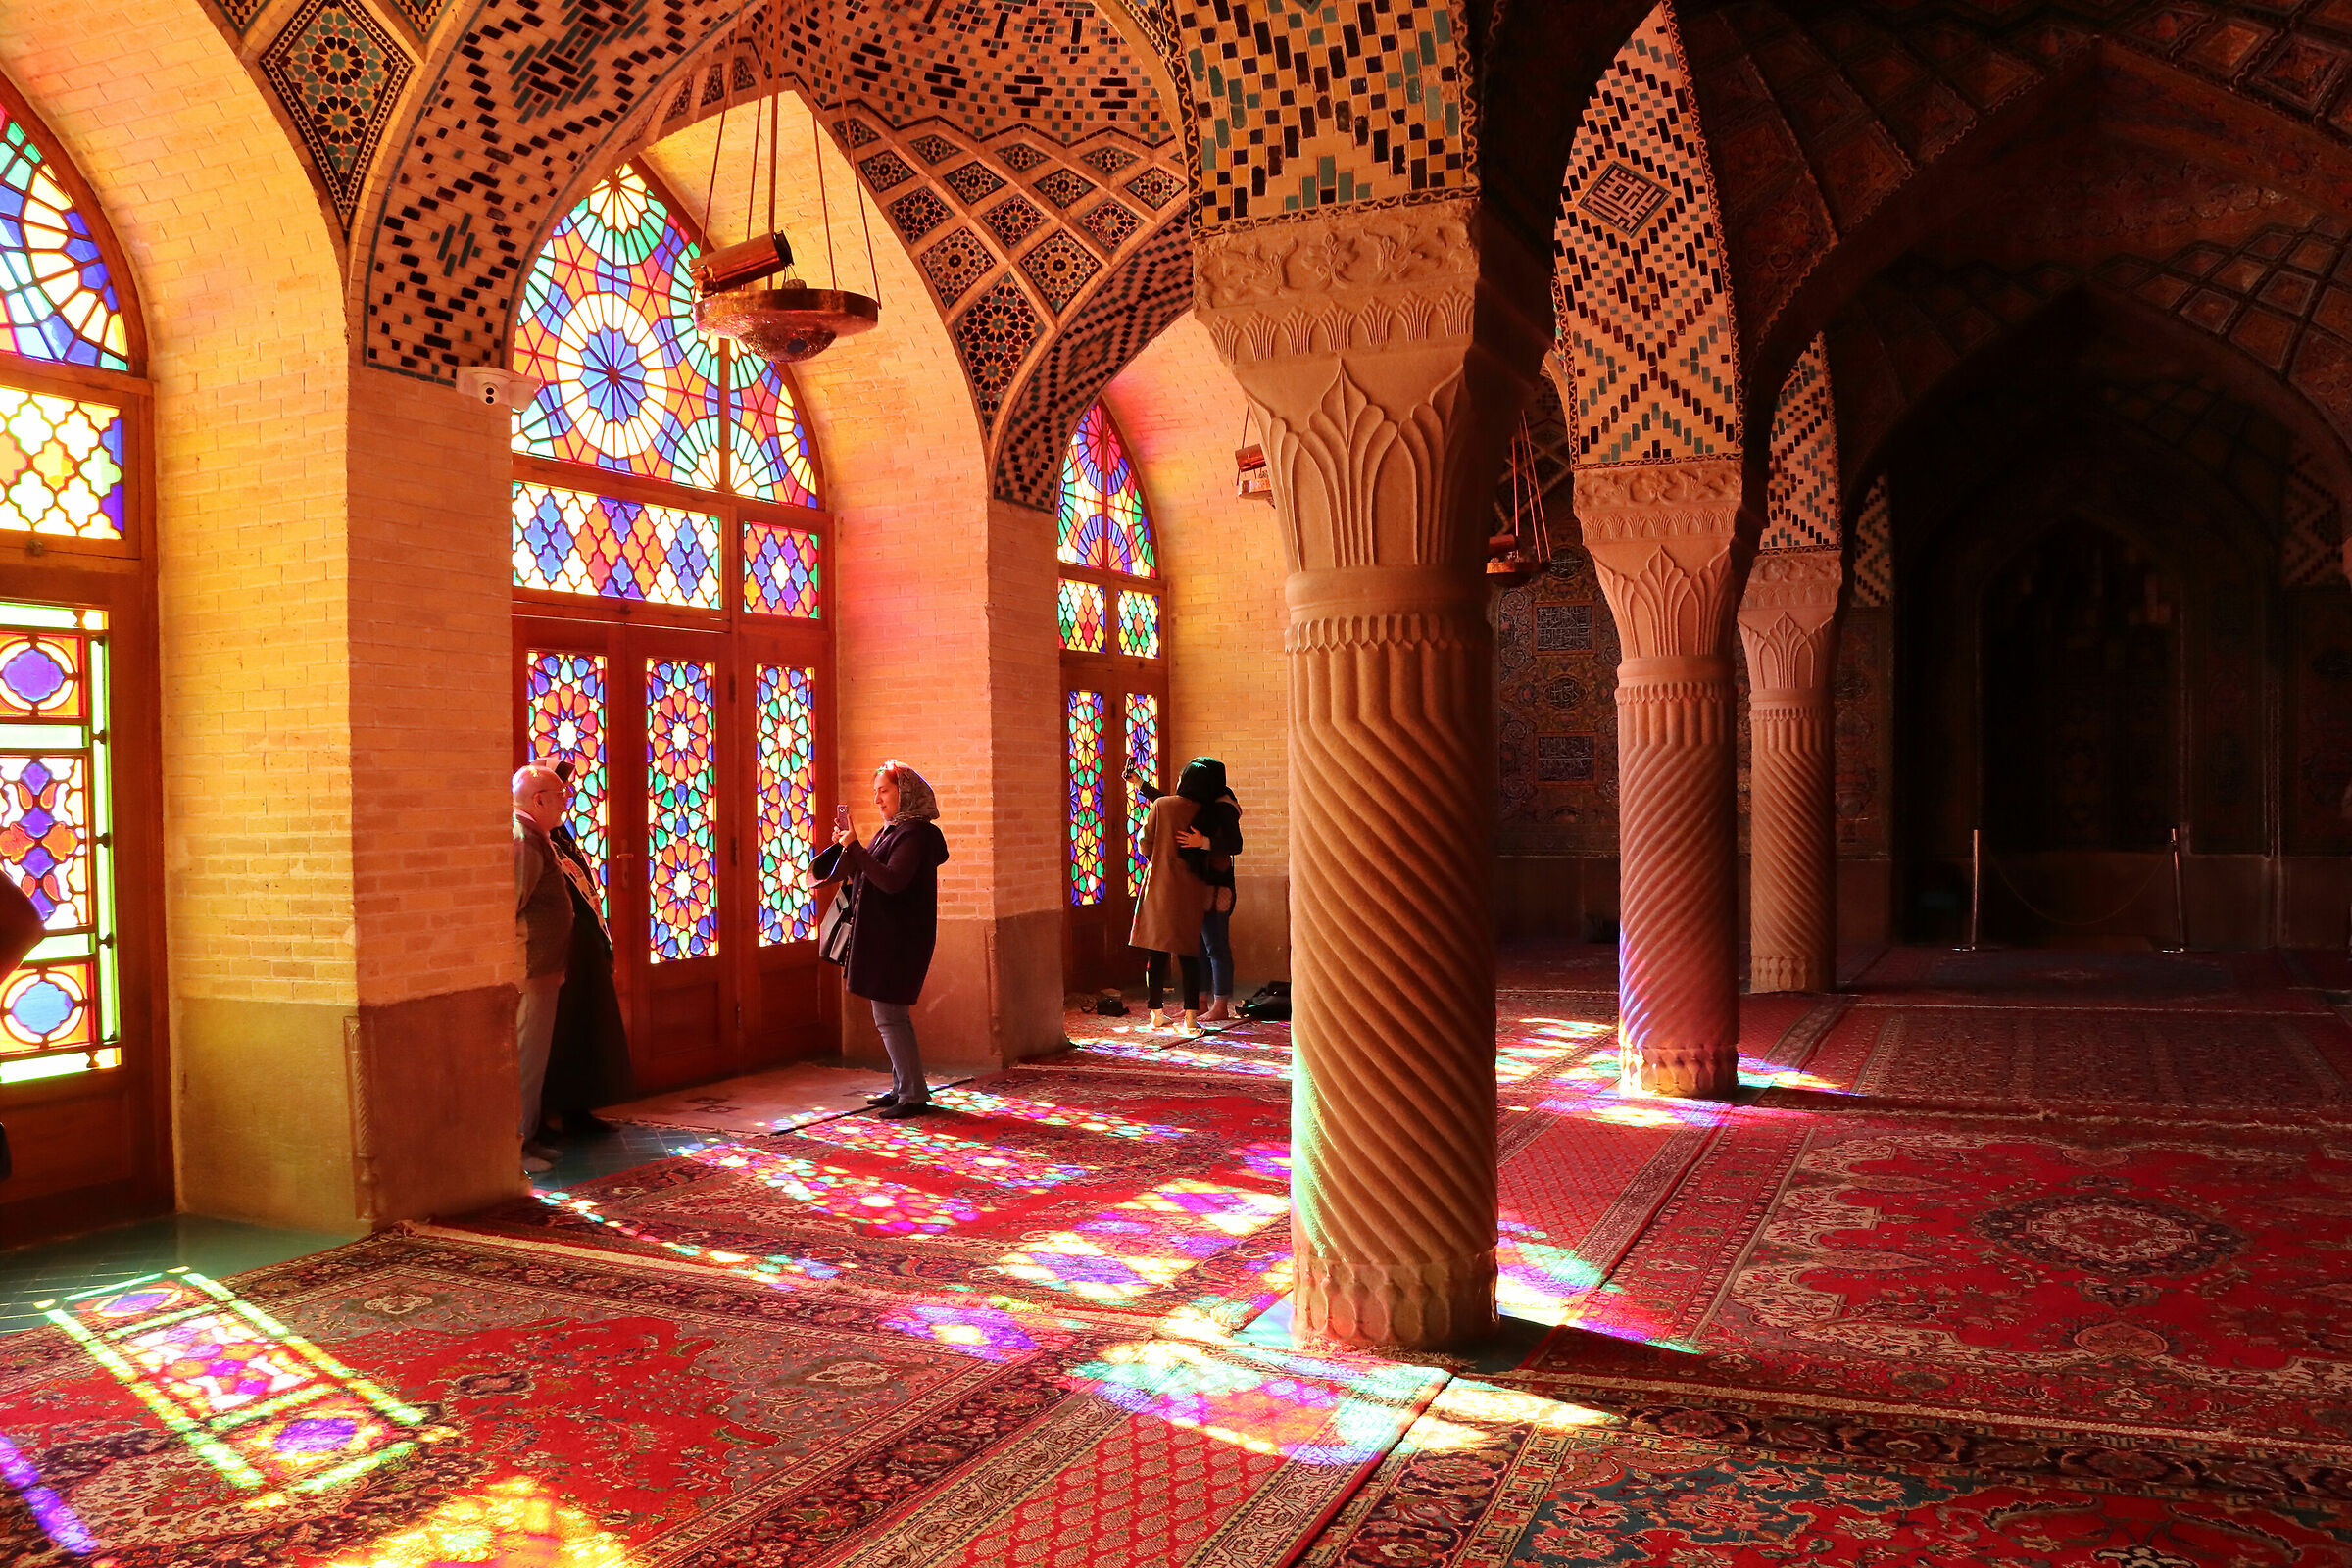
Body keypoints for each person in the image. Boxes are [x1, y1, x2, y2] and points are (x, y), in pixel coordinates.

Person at [831, 760, 950, 1119]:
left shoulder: (914, 834)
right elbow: (871, 870)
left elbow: (892, 881)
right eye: (875, 792)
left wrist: (855, 847)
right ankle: (904, 1086)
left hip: (900, 939)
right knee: (891, 1015)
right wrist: (846, 849)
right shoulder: (893, 830)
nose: (878, 800)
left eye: (884, 791)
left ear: (906, 793)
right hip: (886, 936)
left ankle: (913, 1094)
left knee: (890, 1017)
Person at [536, 759, 631, 1140]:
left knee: (586, 1029)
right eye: (558, 791)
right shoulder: (530, 837)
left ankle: (579, 1109)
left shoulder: (560, 835)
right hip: (557, 954)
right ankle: (542, 1119)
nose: (565, 798)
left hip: (585, 949)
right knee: (557, 1035)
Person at [1127, 759, 1245, 1019]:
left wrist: (1202, 841)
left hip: (1215, 888)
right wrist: (1142, 786)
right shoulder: (1202, 802)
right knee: (1197, 945)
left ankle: (1220, 1005)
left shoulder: (1223, 806)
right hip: (1194, 887)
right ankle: (1199, 1003)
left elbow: (1234, 843)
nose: (1180, 783)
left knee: (1215, 945)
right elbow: (1172, 805)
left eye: (1183, 778)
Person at [512, 763, 574, 1174]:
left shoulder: (537, 837)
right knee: (524, 1061)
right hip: (529, 968)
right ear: (538, 800)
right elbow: (512, 902)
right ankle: (514, 1149)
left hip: (544, 967)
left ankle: (529, 1138)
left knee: (534, 1062)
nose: (565, 806)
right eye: (560, 797)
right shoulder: (524, 840)